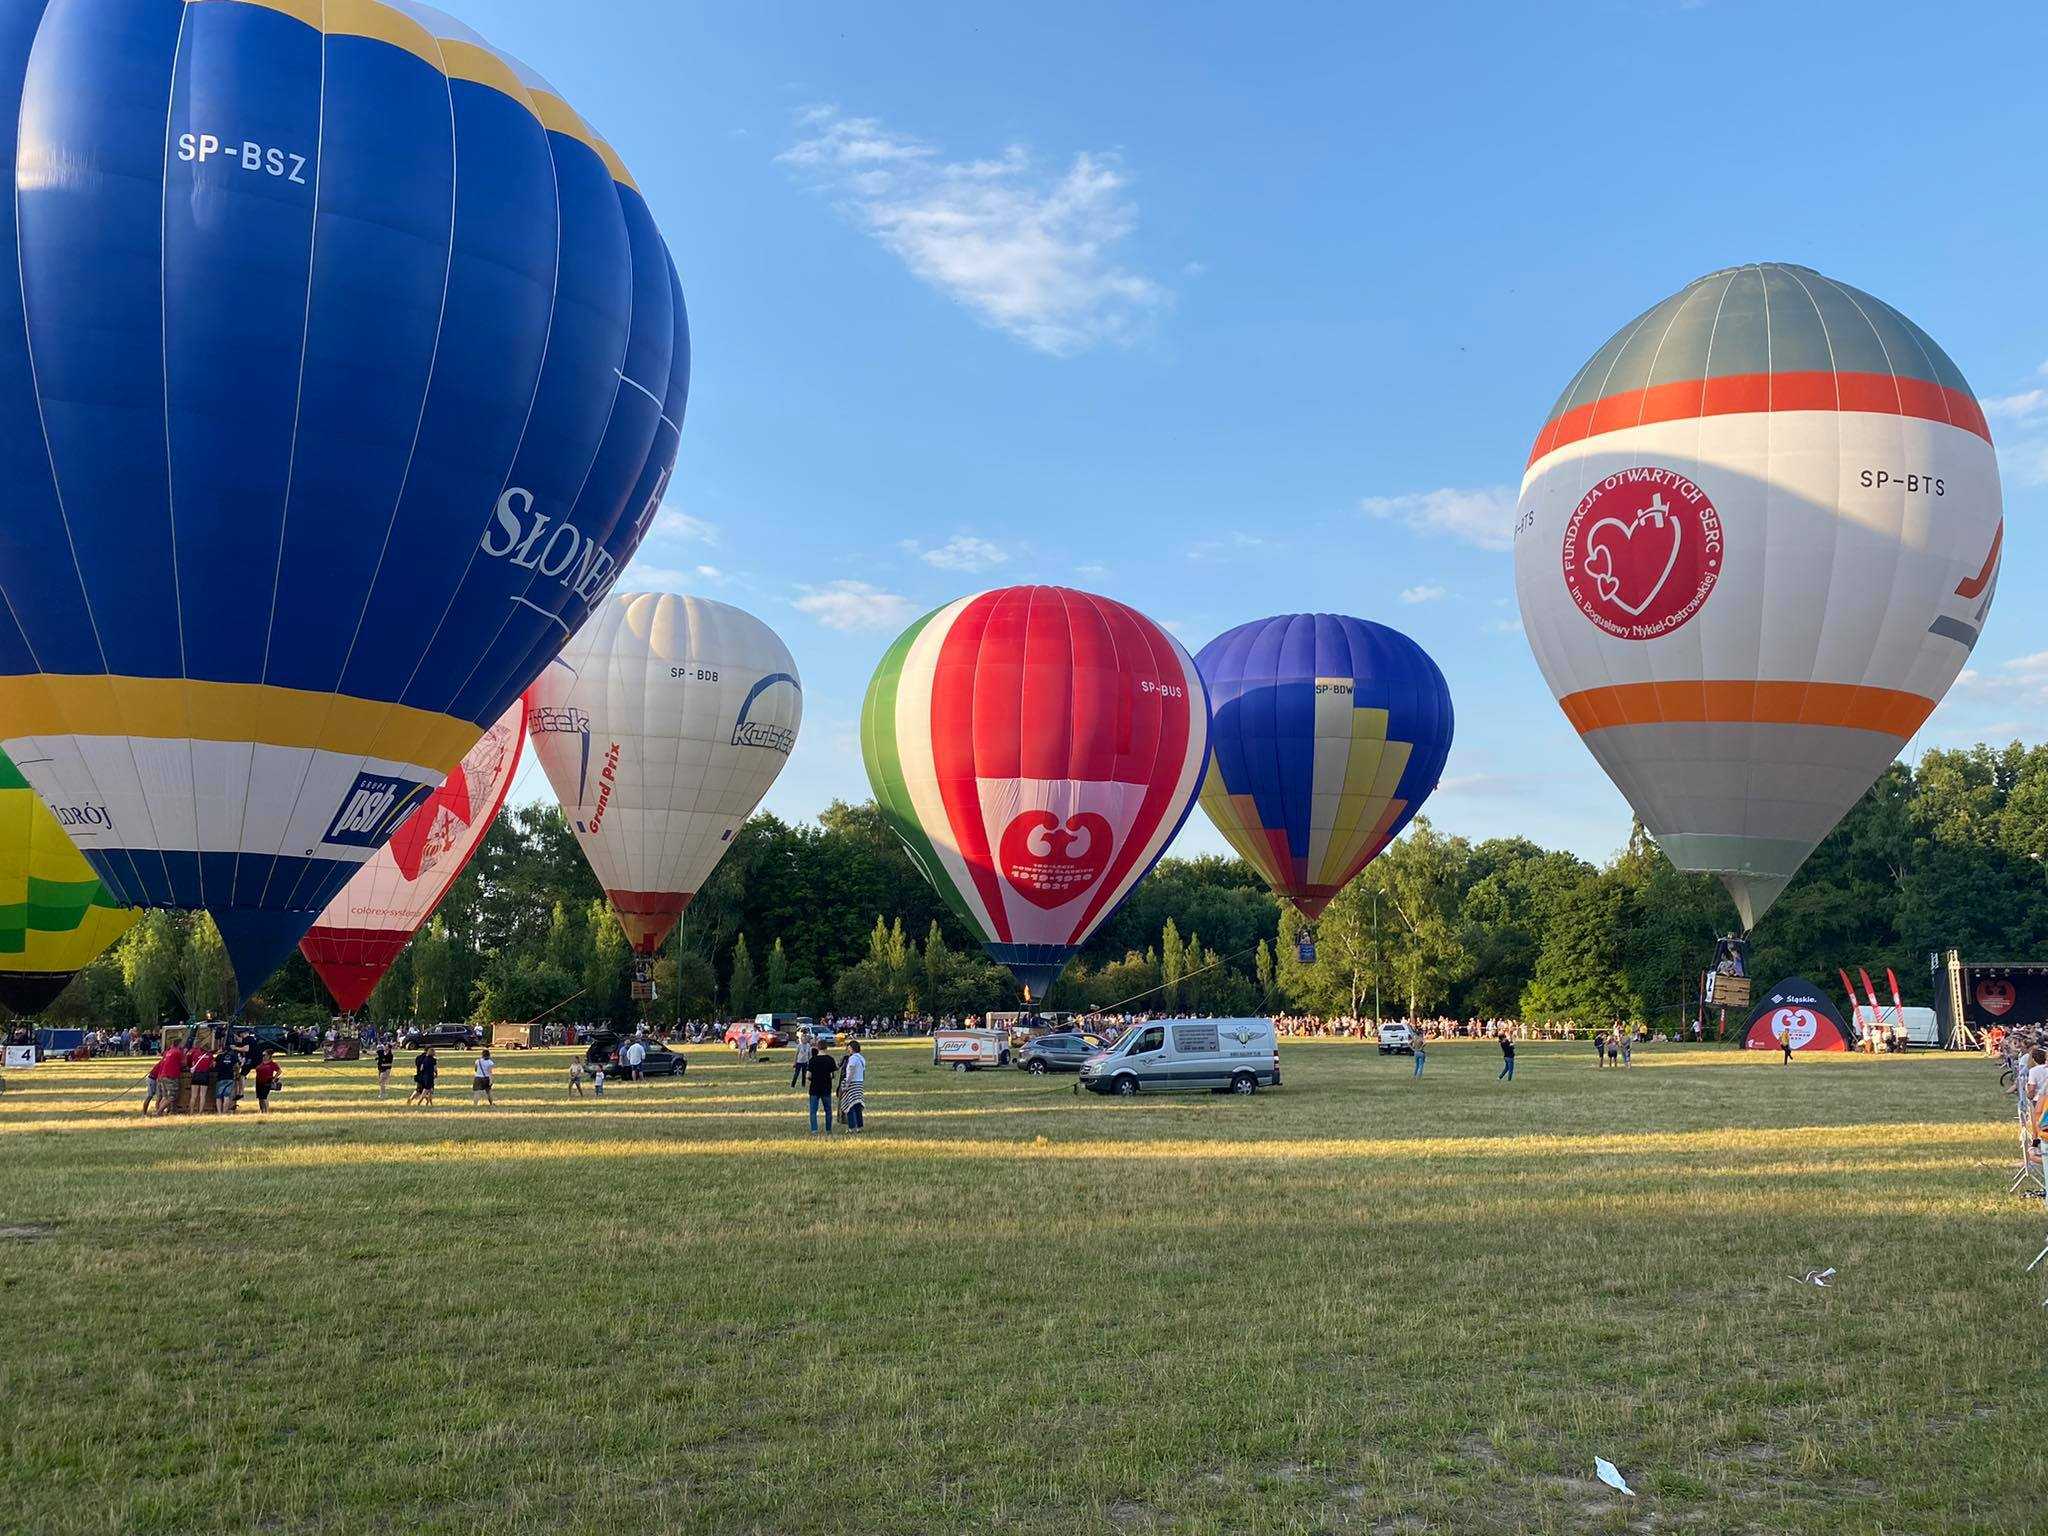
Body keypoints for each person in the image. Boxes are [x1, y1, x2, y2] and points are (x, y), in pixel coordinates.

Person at [807, 1039, 837, 1132]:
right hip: (826, 1087)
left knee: (813, 1111)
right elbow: (833, 1075)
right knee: (828, 1110)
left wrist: (812, 1079)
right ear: (826, 1047)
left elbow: (808, 1075)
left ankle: (814, 1130)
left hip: (814, 1088)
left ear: (817, 1047)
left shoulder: (812, 1060)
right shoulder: (830, 1059)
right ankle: (828, 1129)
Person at [839, 1038, 867, 1131]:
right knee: (858, 1106)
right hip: (859, 1083)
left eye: (849, 1048)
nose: (848, 1049)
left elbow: (851, 1071)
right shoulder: (861, 1058)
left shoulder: (853, 1058)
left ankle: (851, 1127)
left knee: (850, 1106)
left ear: (852, 1048)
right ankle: (859, 1126)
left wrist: (847, 1084)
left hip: (852, 1084)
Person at [188, 1037, 216, 1114]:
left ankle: (191, 1111)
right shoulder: (210, 1055)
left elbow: (192, 1063)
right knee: (202, 1095)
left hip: (196, 1075)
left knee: (193, 1095)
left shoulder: (196, 1054)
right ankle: (200, 1112)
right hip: (204, 1075)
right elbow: (212, 1065)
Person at [214, 1037, 241, 1113]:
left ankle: (219, 1113)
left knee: (218, 1097)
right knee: (226, 1096)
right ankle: (224, 1112)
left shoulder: (219, 1056)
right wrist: (237, 1074)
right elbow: (237, 1066)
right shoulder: (233, 1056)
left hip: (221, 1077)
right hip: (230, 1077)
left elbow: (213, 1065)